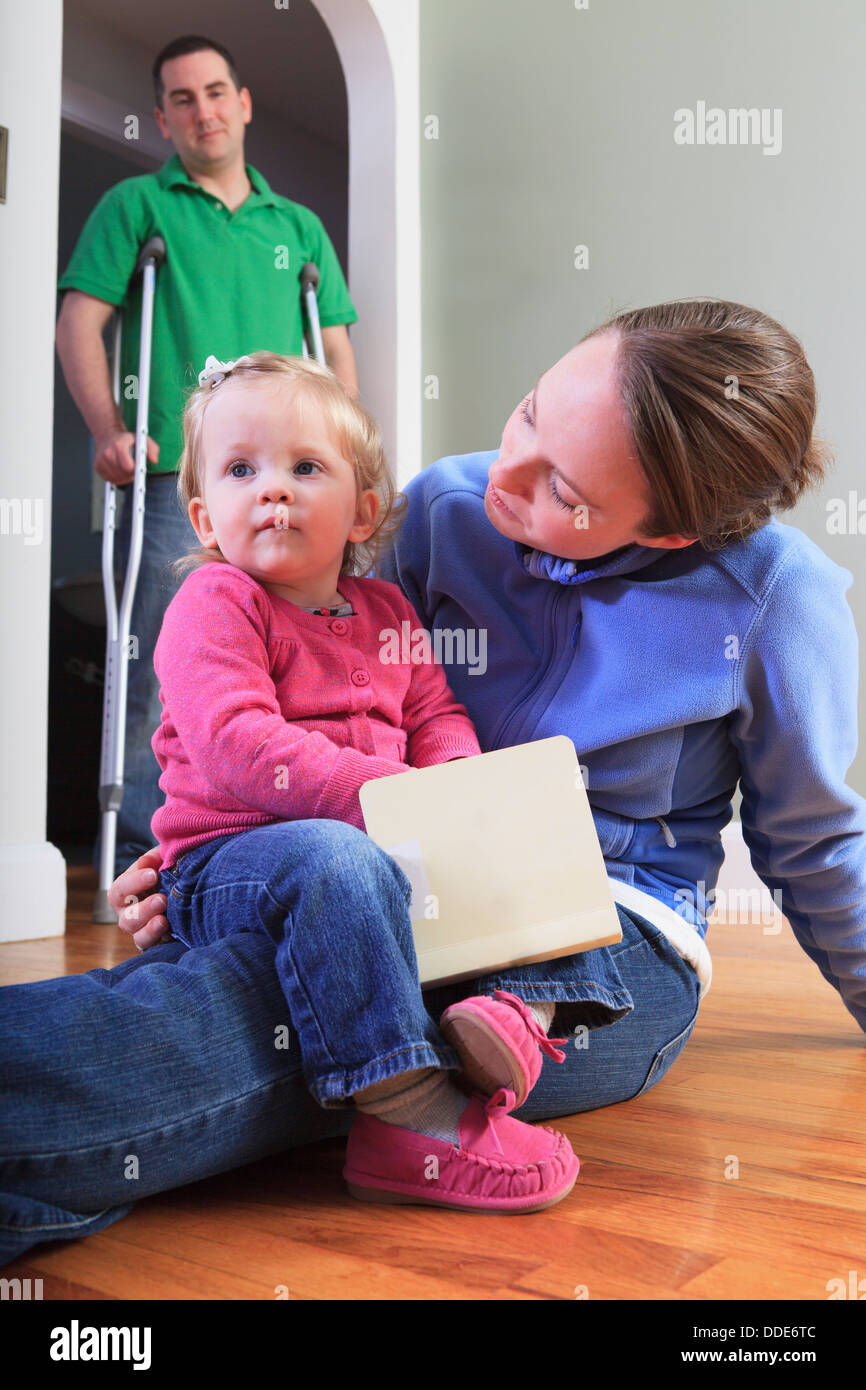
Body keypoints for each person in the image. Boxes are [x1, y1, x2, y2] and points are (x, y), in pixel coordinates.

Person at [3, 299, 864, 1262]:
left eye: (564, 493)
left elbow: (817, 842)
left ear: (665, 535)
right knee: (302, 978)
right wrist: (202, 848)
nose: (506, 474)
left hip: (605, 938)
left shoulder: (779, 600)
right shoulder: (445, 510)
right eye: (529, 414)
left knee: (277, 1007)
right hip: (394, 864)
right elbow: (340, 699)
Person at [147, 347, 578, 1211]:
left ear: (363, 512)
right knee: (335, 859)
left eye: (306, 467)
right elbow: (237, 742)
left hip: (383, 841)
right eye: (241, 471)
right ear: (203, 516)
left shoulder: (388, 613)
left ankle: (521, 1015)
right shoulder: (217, 605)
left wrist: (455, 787)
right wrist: (387, 801)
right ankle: (404, 1115)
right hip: (235, 861)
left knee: (541, 830)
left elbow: (435, 714)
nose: (272, 488)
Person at [55, 34, 359, 874]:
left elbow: (334, 355)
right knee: (166, 657)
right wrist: (106, 429)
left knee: (297, 652)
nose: (204, 110)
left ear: (245, 101)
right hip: (174, 478)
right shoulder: (136, 207)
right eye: (182, 99)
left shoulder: (295, 227)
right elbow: (80, 323)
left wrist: (347, 455)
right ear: (162, 117)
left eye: (216, 91)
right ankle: (152, 853)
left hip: (290, 478)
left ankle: (268, 827)